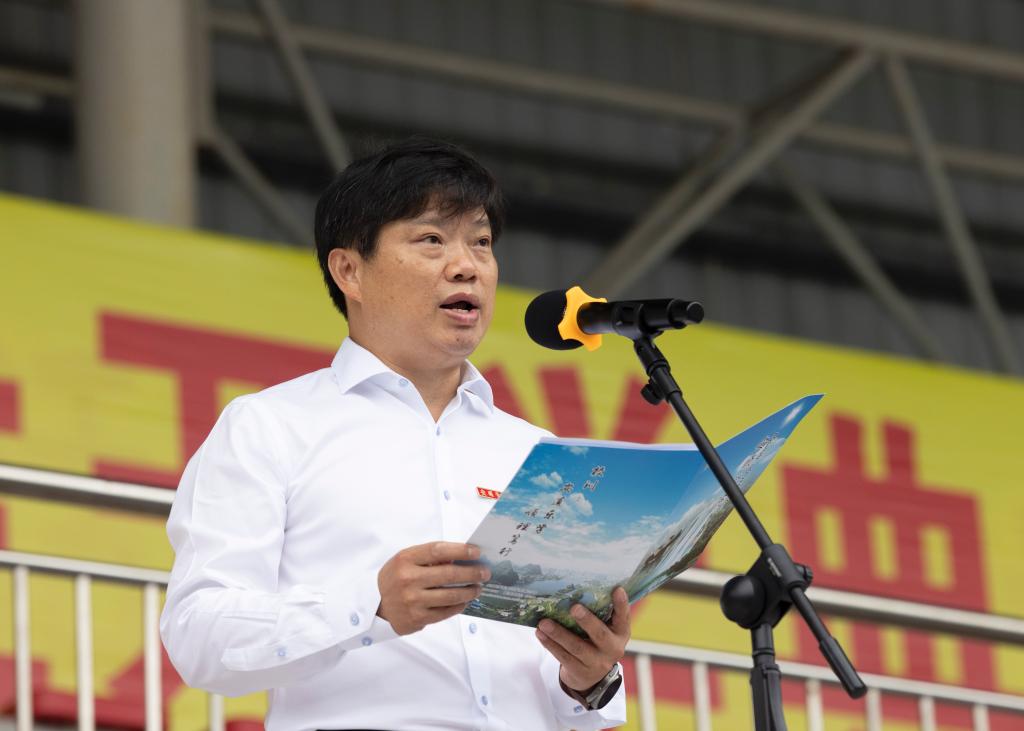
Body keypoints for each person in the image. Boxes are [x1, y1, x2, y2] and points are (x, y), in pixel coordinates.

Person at [160, 137, 630, 730]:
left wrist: (587, 680)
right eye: (431, 239)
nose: (467, 265)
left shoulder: (536, 452)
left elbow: (570, 705)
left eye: (481, 242)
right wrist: (371, 606)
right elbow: (200, 638)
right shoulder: (271, 426)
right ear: (349, 271)